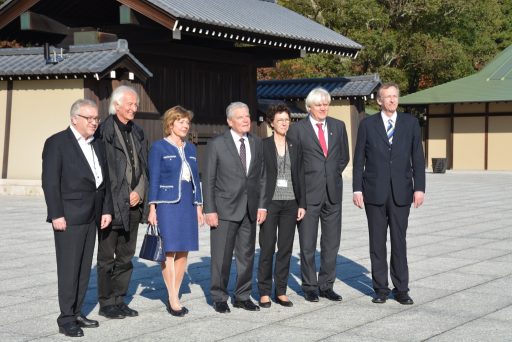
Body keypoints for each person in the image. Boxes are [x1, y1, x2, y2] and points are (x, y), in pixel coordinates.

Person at [42, 99, 113, 337]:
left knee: (83, 268)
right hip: (69, 217)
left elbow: (104, 182)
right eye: (89, 118)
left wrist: (106, 209)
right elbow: (50, 182)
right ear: (75, 119)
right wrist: (56, 214)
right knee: (69, 268)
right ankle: (65, 318)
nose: (94, 122)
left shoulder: (98, 144)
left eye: (96, 118)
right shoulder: (57, 143)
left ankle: (77, 311)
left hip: (92, 214)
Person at [352, 82, 425, 305]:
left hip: (402, 191)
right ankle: (380, 289)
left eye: (395, 96)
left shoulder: (411, 123)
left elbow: (418, 158)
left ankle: (401, 288)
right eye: (387, 97)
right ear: (379, 100)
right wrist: (357, 189)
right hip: (374, 191)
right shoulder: (367, 124)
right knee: (377, 242)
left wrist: (419, 188)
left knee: (399, 241)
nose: (392, 100)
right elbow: (359, 160)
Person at [287, 87, 350, 303]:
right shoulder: (297, 130)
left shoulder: (338, 126)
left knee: (331, 243)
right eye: (319, 104)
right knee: (307, 244)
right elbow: (293, 164)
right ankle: (310, 286)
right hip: (308, 195)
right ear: (309, 107)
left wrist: (330, 175)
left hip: (333, 193)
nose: (323, 107)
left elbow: (343, 157)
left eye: (326, 104)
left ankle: (326, 285)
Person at [203, 102, 267, 313]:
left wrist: (262, 206)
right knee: (221, 256)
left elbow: (262, 177)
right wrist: (209, 209)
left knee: (246, 255)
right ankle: (219, 296)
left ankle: (242, 295)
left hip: (249, 208)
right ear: (230, 121)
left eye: (247, 116)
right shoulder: (217, 144)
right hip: (224, 209)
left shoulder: (257, 143)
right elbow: (209, 179)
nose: (246, 120)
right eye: (240, 117)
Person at [95, 85, 149, 319]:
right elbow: (104, 173)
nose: (134, 108)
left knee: (126, 257)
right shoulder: (103, 132)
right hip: (112, 204)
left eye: (136, 104)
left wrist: (139, 191)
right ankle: (107, 303)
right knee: (107, 259)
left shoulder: (137, 132)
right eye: (130, 104)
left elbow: (144, 168)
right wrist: (122, 195)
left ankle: (120, 299)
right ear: (116, 105)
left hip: (134, 205)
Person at [147, 106, 204, 317]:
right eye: (180, 121)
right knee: (168, 250)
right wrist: (152, 208)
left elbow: (196, 180)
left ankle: (175, 292)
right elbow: (154, 179)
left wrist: (199, 206)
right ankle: (173, 298)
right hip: (166, 203)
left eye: (187, 122)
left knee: (183, 249)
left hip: (188, 203)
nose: (185, 125)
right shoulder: (159, 147)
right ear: (170, 124)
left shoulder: (190, 148)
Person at [257, 104, 306, 308]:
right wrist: (261, 205)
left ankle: (282, 290)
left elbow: (300, 175)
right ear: (271, 123)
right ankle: (264, 291)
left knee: (285, 248)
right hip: (270, 202)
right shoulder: (263, 145)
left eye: (287, 119)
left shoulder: (295, 145)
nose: (285, 123)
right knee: (267, 248)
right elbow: (258, 177)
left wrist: (302, 203)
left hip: (291, 202)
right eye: (280, 120)